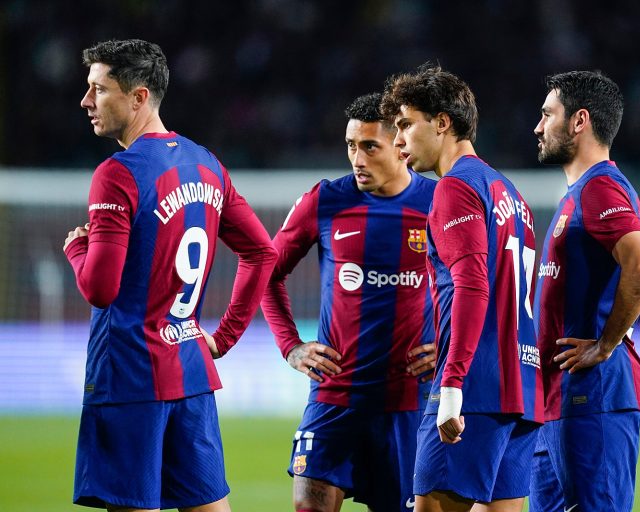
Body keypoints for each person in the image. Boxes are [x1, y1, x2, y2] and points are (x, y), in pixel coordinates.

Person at [63, 39, 278, 511]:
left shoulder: (118, 173)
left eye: (98, 90)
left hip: (130, 376)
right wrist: (222, 337)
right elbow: (263, 252)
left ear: (138, 97)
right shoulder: (205, 162)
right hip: (190, 371)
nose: (86, 101)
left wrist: (78, 249)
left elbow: (100, 289)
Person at [260, 92, 438, 512]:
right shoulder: (325, 200)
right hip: (335, 396)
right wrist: (291, 345)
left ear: (399, 145)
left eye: (369, 147)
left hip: (408, 402)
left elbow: (479, 287)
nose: (357, 158)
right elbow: (265, 273)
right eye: (351, 146)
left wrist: (450, 349)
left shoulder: (438, 203)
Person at [380, 65, 544, 512]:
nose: (398, 141)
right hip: (522, 387)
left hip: (475, 385)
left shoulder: (455, 189)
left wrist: (452, 382)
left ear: (441, 122)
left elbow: (472, 285)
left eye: (405, 124)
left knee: (430, 505)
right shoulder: (509, 192)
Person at [529, 70, 640, 512]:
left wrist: (606, 344)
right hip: (557, 401)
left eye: (548, 115)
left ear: (579, 120)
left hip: (593, 396)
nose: (538, 127)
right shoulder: (577, 194)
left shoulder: (601, 187)